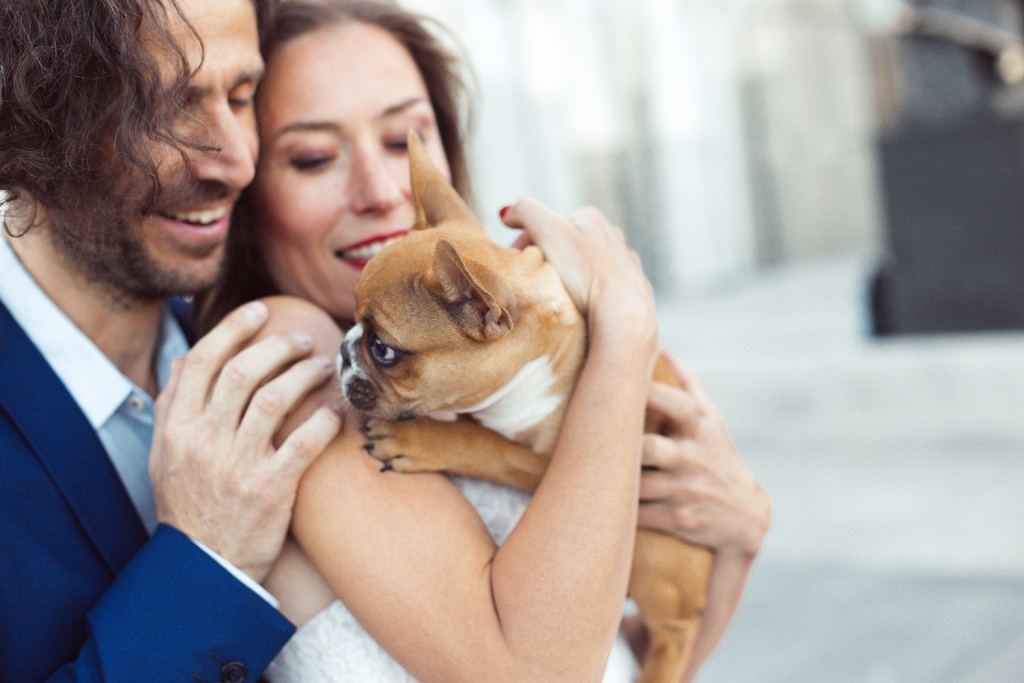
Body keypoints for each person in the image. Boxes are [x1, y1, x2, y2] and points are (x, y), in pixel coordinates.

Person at [195, 1, 772, 681]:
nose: (381, 190)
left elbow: (631, 657)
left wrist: (741, 539)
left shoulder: (478, 368)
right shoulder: (292, 360)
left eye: (404, 138)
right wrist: (626, 336)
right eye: (314, 156)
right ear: (249, 183)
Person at [0, 0, 344, 680]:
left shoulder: (260, 351)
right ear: (27, 118)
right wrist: (207, 561)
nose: (238, 163)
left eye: (241, 96)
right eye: (162, 107)